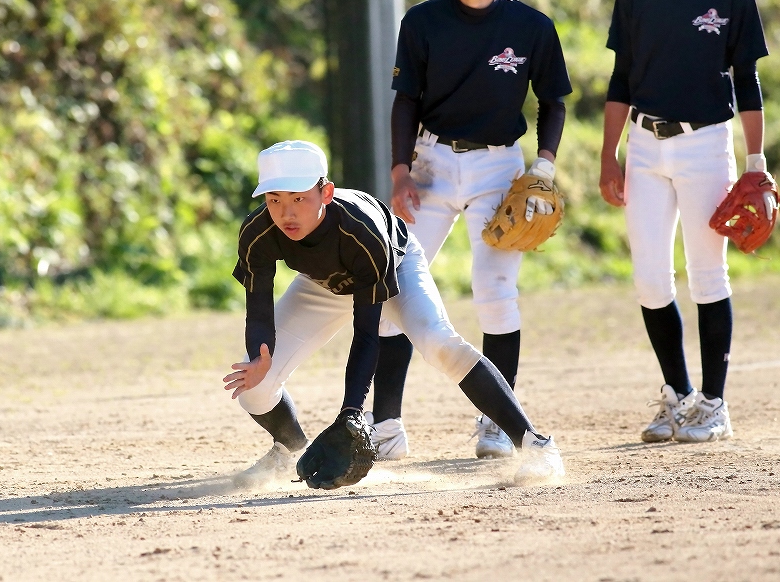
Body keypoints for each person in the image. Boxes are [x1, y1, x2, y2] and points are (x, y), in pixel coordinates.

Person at [223, 140, 564, 489]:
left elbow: (368, 334)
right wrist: (260, 355)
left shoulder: (360, 229)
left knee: (439, 342)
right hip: (323, 283)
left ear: (326, 192)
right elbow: (259, 308)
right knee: (255, 385)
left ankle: (536, 445)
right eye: (274, 199)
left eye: (299, 198)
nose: (286, 213)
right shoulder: (258, 231)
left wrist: (351, 412)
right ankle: (290, 451)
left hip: (393, 267)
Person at [370, 0, 573, 461]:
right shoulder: (423, 21)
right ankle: (384, 424)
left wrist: (544, 167)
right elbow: (404, 99)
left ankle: (497, 423)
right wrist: (400, 171)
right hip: (431, 164)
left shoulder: (531, 27)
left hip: (498, 167)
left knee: (496, 293)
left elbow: (553, 101)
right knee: (398, 291)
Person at [599, 0, 770, 443]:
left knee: (706, 273)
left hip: (706, 144)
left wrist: (756, 162)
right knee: (650, 276)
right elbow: (621, 78)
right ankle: (678, 396)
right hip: (646, 144)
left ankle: (714, 404)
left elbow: (747, 81)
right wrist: (610, 154)